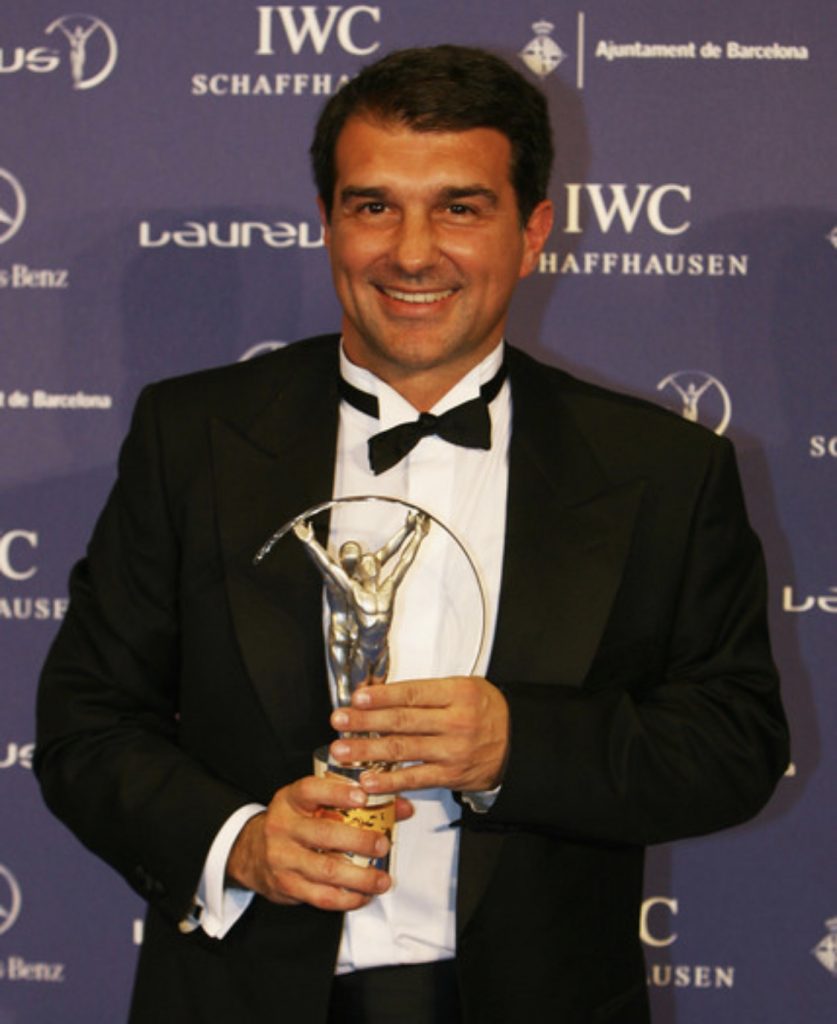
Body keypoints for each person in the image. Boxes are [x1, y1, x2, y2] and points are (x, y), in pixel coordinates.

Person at [35, 45, 788, 1024]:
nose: (413, 250)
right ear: (329, 224)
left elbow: (734, 744)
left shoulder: (665, 469)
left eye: (462, 207)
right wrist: (240, 840)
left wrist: (519, 744)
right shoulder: (191, 436)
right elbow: (86, 724)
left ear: (534, 232)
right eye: (374, 204)